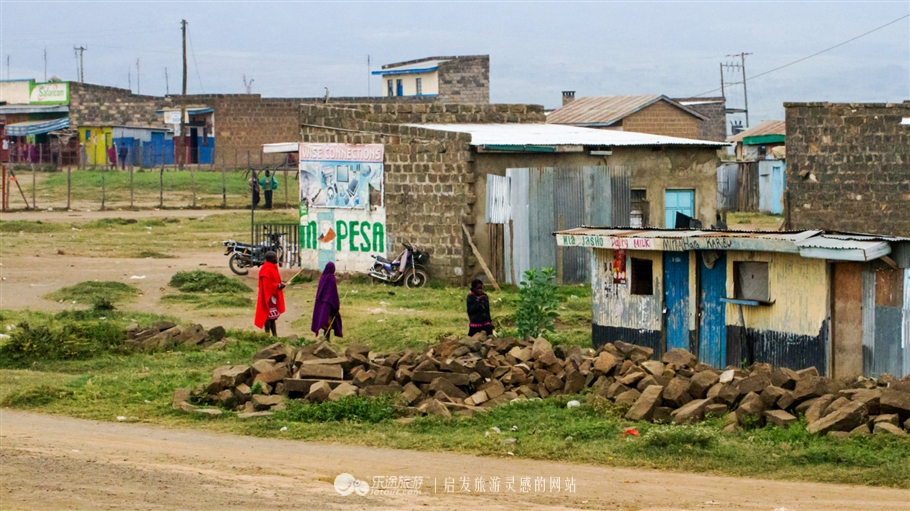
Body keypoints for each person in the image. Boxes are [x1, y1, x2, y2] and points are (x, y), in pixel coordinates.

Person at [254, 251, 285, 336]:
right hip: (267, 296)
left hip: (273, 296)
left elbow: (274, 281)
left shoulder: (273, 267)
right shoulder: (266, 270)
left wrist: (279, 284)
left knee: (273, 318)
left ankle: (275, 335)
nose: (276, 259)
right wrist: (277, 286)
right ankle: (267, 334)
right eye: (274, 258)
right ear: (269, 259)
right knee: (267, 316)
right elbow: (266, 285)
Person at [311, 262, 343, 340]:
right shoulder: (331, 278)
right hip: (329, 304)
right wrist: (336, 305)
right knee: (328, 323)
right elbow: (333, 293)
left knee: (325, 322)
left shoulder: (322, 277)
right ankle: (326, 340)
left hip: (322, 303)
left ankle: (325, 339)